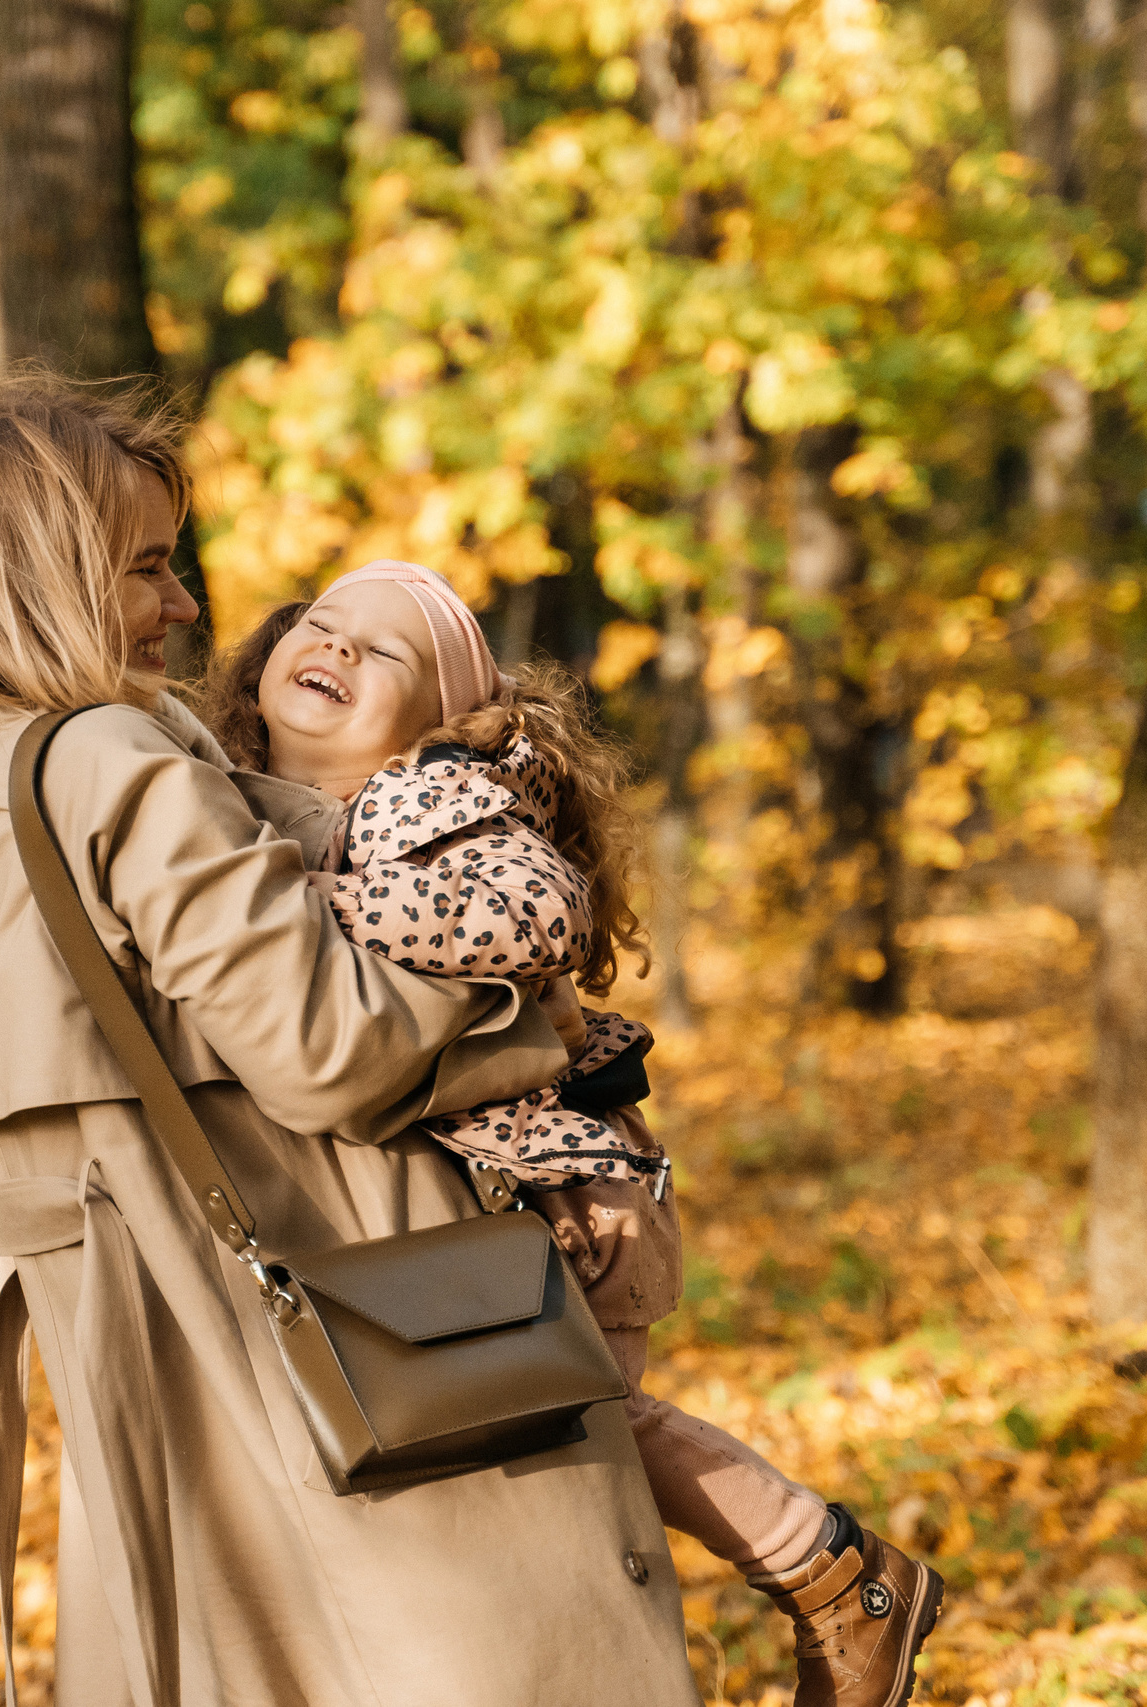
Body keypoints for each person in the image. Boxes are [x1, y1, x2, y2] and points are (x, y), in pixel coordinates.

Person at [0, 373, 704, 1707]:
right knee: (482, 1635)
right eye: (149, 567)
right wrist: (516, 1009)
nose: (183, 608)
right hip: (317, 1251)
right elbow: (328, 1049)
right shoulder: (116, 755)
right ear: (41, 573)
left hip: (136, 1276)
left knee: (228, 1647)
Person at [198, 564, 943, 1707]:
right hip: (526, 1186)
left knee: (583, 1432)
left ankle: (838, 1577)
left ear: (440, 721)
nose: (336, 650)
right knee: (554, 1441)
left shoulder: (420, 797)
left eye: (379, 652)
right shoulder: (263, 804)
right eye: (321, 626)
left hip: (574, 1188)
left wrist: (310, 908)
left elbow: (535, 907)